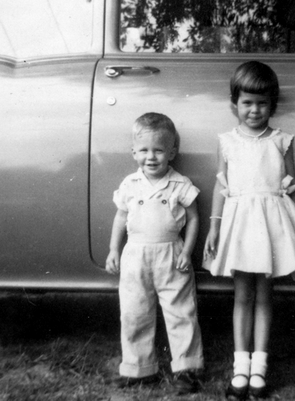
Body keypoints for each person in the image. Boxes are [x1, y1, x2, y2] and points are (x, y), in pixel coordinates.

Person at [204, 60, 295, 400]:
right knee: (242, 295)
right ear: (234, 104)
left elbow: (289, 186)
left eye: (262, 103)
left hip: (271, 224)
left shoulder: (282, 140)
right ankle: (240, 366)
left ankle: (260, 368)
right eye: (247, 103)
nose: (254, 110)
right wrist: (215, 226)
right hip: (239, 224)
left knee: (265, 295)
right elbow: (220, 188)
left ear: (273, 104)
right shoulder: (226, 141)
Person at [105, 112, 204, 395]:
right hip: (135, 255)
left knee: (181, 311)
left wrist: (187, 250)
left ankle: (186, 368)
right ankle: (138, 368)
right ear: (133, 152)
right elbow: (120, 217)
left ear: (172, 152)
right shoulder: (130, 184)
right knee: (134, 312)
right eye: (144, 150)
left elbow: (194, 217)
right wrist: (114, 249)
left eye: (159, 150)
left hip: (171, 254)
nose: (151, 157)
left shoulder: (180, 183)